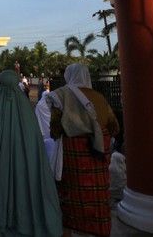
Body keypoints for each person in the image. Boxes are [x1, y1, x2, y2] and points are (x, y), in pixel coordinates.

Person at [0, 70, 63, 237]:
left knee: (6, 185)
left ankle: (6, 215)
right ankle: (26, 217)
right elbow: (34, 141)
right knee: (25, 186)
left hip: (3, 165)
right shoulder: (26, 109)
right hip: (26, 164)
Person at [46, 63, 120, 237]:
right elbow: (114, 127)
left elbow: (55, 129)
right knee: (96, 197)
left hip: (73, 159)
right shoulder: (99, 98)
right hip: (97, 157)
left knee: (69, 197)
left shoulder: (61, 95)